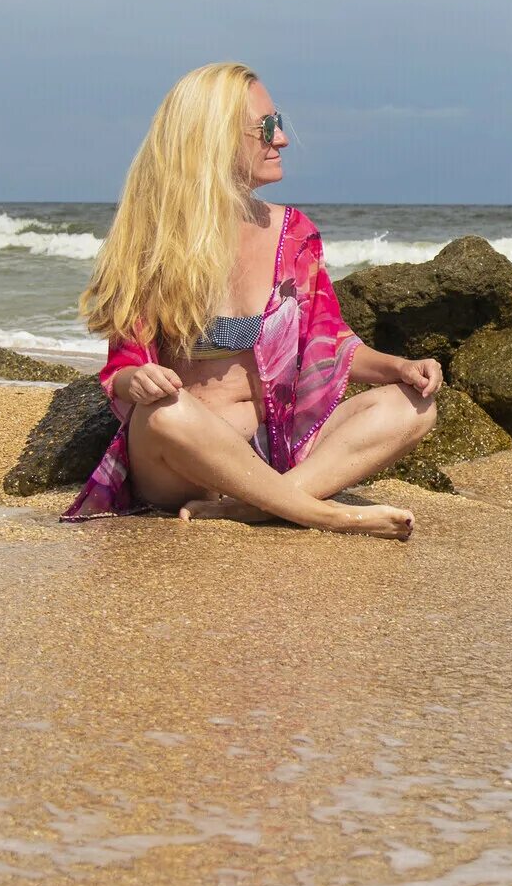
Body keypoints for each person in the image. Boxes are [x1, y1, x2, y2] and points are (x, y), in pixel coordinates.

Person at [64, 62, 437, 538]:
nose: (280, 139)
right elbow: (121, 369)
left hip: (275, 446)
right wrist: (137, 380)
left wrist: (400, 367)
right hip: (185, 459)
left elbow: (331, 344)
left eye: (278, 124)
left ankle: (261, 506)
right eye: (265, 128)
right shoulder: (152, 242)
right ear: (213, 138)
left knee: (414, 405)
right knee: (164, 412)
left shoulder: (295, 234)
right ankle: (322, 513)